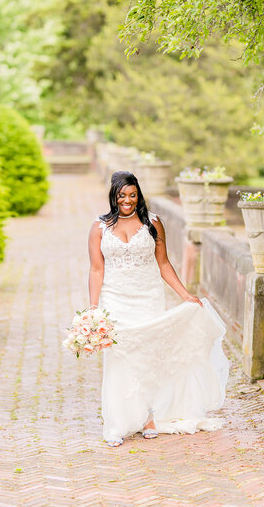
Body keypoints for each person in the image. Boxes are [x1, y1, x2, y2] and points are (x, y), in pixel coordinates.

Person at [88, 170, 229, 447]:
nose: (127, 200)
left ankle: (148, 417)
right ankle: (117, 422)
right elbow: (96, 269)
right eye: (122, 195)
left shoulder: (153, 223)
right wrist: (93, 310)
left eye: (132, 195)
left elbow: (163, 264)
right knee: (119, 357)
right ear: (113, 196)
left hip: (148, 296)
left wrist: (185, 294)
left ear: (138, 194)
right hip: (115, 297)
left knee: (148, 355)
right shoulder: (99, 227)